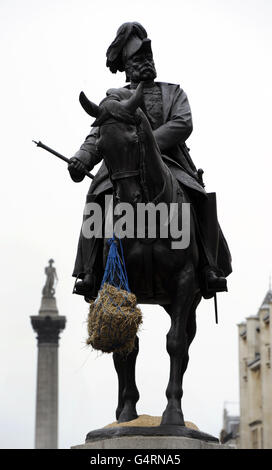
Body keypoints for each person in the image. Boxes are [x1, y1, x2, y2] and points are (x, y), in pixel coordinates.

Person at [68, 22, 232, 300]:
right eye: (138, 59)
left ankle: (209, 266)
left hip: (170, 163)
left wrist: (147, 143)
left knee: (199, 196)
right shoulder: (114, 98)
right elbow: (98, 134)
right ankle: (89, 271)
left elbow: (183, 123)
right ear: (126, 65)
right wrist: (82, 157)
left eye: (148, 57)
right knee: (96, 197)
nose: (145, 63)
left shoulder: (173, 93)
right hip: (122, 166)